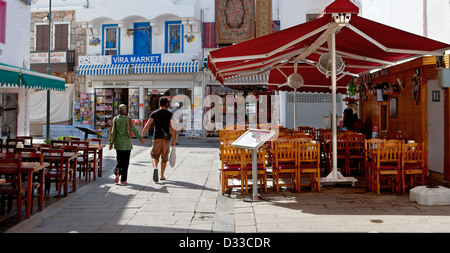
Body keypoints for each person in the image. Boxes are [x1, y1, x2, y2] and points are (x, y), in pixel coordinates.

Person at [108, 104, 145, 185]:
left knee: (119, 160)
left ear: (119, 110)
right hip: (127, 144)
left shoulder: (116, 119)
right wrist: (140, 138)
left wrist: (111, 143)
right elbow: (134, 130)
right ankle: (123, 180)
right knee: (126, 162)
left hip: (118, 144)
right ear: (125, 111)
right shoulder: (128, 119)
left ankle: (117, 172)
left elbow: (113, 132)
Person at [142, 97, 176, 182]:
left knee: (154, 155)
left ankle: (155, 168)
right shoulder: (170, 114)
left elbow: (147, 126)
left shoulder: (154, 113)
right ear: (167, 104)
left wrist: (142, 136)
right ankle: (161, 176)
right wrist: (174, 141)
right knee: (164, 157)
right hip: (166, 138)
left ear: (159, 104)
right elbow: (173, 128)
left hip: (156, 137)